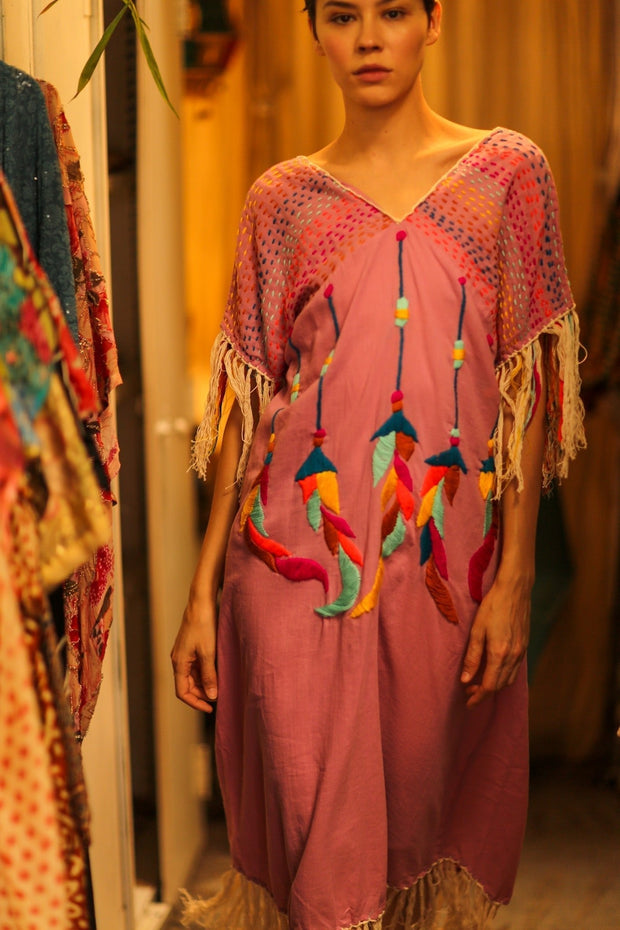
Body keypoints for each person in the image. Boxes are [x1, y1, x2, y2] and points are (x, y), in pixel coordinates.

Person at [172, 2, 585, 928]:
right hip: (292, 566)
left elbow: (527, 387)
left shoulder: (505, 176)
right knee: (316, 829)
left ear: (433, 22)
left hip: (446, 571)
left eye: (394, 11)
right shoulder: (282, 199)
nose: (368, 38)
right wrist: (202, 594)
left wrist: (516, 575)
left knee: (419, 832)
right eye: (343, 15)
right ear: (314, 29)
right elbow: (246, 398)